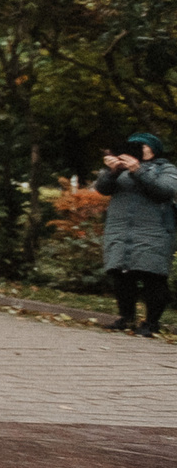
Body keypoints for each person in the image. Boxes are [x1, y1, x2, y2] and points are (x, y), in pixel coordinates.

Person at [94, 134, 174, 338]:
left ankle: (151, 322)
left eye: (142, 146)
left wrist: (137, 170)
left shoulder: (166, 169)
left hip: (154, 231)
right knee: (121, 275)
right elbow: (102, 189)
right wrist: (112, 172)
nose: (136, 149)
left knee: (153, 276)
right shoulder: (119, 170)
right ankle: (125, 317)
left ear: (153, 149)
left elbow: (165, 191)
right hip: (120, 229)